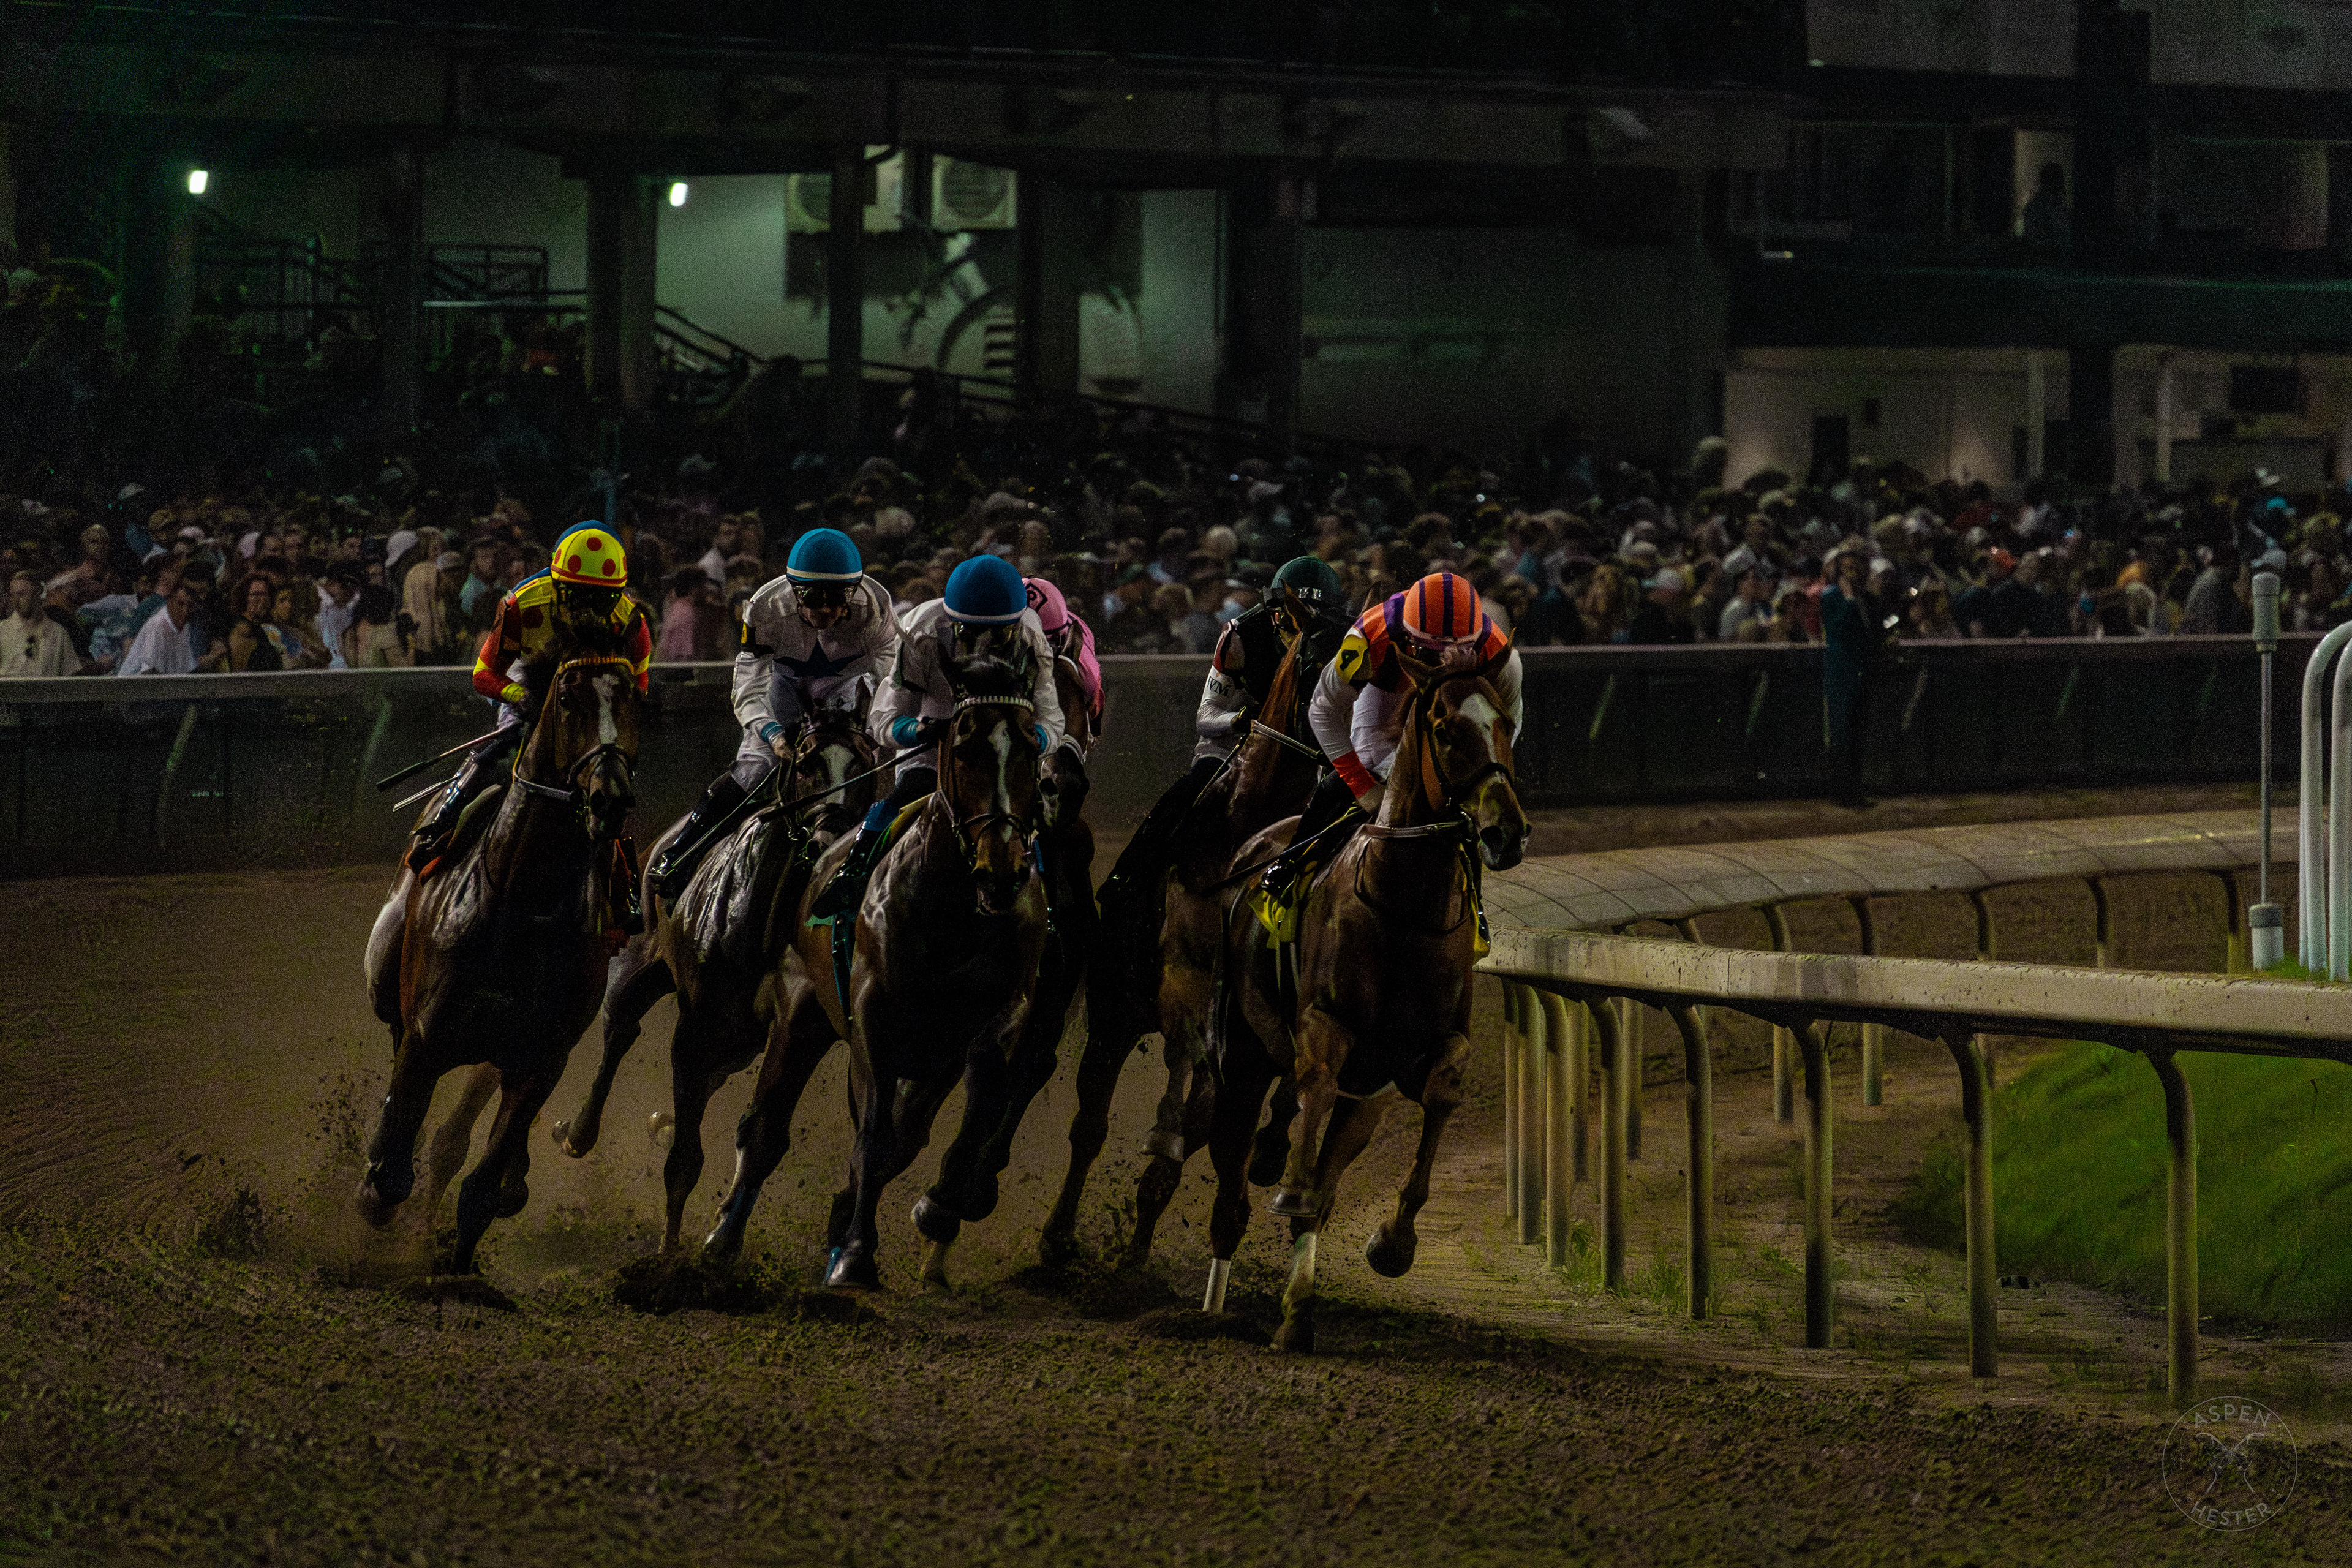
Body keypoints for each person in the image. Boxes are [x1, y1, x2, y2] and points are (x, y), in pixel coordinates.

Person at [649, 527, 899, 899]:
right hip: (782, 686)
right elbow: (749, 684)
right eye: (813, 599)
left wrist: (878, 733)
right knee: (755, 769)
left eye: (836, 599)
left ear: (855, 591)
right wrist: (771, 734)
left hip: (844, 687)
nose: (825, 611)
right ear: (794, 591)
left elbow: (889, 680)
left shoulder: (876, 604)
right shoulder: (765, 606)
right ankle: (681, 851)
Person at [811, 554, 1064, 919]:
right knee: (906, 796)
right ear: (951, 621)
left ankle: (1054, 914)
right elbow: (883, 721)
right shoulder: (922, 630)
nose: (985, 644)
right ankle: (852, 876)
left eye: (999, 633)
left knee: (1042, 815)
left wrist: (1030, 738)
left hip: (1005, 750)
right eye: (973, 632)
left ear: (1016, 623)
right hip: (935, 750)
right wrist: (923, 731)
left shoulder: (1029, 631)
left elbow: (1052, 719)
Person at [1100, 556, 1350, 907]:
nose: (1295, 627)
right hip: (1232, 744)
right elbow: (1206, 715)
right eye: (1288, 615)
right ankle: (1131, 875)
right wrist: (1238, 721)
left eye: (1308, 620)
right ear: (1271, 608)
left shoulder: (1340, 640)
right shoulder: (1240, 634)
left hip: (1309, 746)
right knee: (1193, 791)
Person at [1262, 570, 1523, 902]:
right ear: (1409, 639)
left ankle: (1473, 900)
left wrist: (1479, 782)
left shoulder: (1503, 656)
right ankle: (1293, 860)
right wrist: (1361, 785)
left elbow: (1504, 730)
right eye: (1432, 654)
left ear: (1477, 641)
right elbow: (1322, 711)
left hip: (1457, 698)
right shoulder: (1369, 636)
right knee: (1374, 764)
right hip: (1387, 691)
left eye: (1460, 652)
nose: (1445, 662)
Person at [406, 523, 654, 873]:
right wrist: (519, 696)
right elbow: (483, 674)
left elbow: (638, 689)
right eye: (578, 595)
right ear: (557, 585)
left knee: (613, 769)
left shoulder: (631, 621)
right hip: (534, 673)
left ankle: (622, 875)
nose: (588, 608)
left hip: (590, 688)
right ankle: (443, 822)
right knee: (514, 740)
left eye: (600, 598)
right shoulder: (522, 604)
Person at [1820, 546, 1885, 809]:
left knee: (1858, 734)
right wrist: (1848, 600)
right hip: (1841, 674)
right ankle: (1841, 792)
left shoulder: (1869, 599)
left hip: (1863, 673)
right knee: (1841, 734)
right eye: (1846, 567)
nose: (1852, 573)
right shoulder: (1832, 596)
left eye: (1856, 567)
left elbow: (1876, 632)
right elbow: (1837, 630)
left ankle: (1856, 790)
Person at [2, 570, 74, 676]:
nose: (16, 600)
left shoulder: (58, 633)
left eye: (22, 594)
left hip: (46, 692)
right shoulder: (2, 631)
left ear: (37, 594)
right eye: (13, 595)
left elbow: (70, 675)